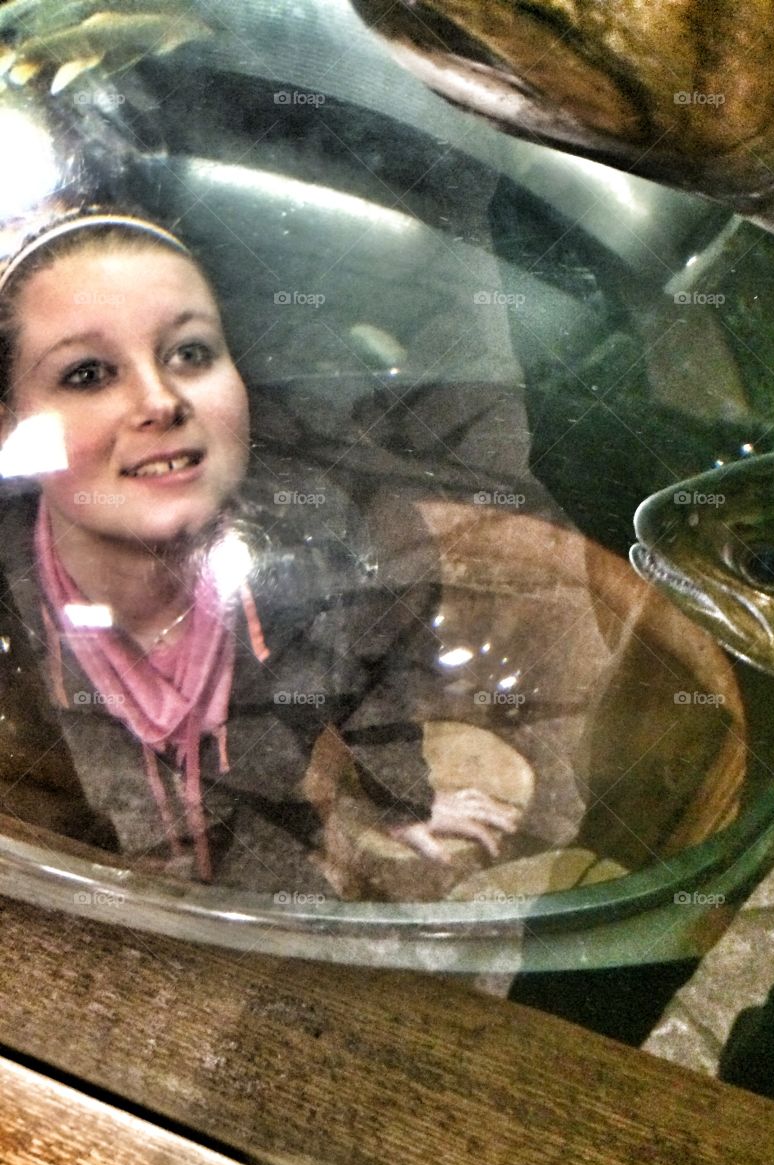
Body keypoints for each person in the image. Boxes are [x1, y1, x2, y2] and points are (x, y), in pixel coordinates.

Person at [0, 205, 519, 893]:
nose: (160, 401)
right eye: (89, 374)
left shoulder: (331, 551)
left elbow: (382, 681)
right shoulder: (12, 623)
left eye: (190, 353)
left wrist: (402, 803)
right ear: (10, 427)